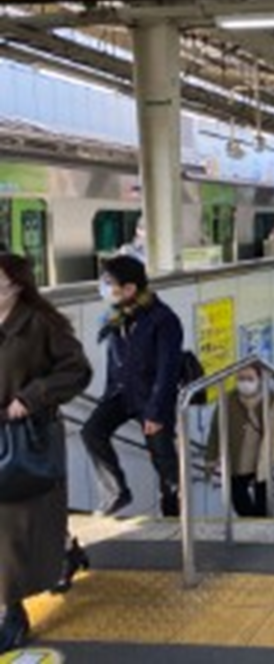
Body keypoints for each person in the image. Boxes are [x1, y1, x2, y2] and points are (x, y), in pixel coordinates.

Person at [0, 253, 92, 653]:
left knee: (14, 528)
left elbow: (77, 370)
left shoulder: (41, 323)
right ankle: (67, 552)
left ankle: (11, 612)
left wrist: (32, 397)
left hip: (26, 439)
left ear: (15, 285)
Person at [83, 256, 184, 517]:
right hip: (121, 394)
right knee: (92, 431)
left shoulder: (163, 319)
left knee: (164, 462)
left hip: (152, 398)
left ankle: (175, 517)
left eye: (109, 282)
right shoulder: (117, 316)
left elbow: (168, 369)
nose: (104, 287)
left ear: (129, 288)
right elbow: (114, 360)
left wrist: (156, 412)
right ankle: (116, 492)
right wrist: (107, 395)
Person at [205, 364, 274, 518]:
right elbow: (215, 430)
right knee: (238, 498)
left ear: (259, 379)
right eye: (241, 378)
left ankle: (262, 526)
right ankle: (251, 524)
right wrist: (211, 458)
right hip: (236, 457)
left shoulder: (272, 399)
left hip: (262, 458)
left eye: (250, 378)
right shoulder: (228, 399)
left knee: (263, 500)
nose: (245, 383)